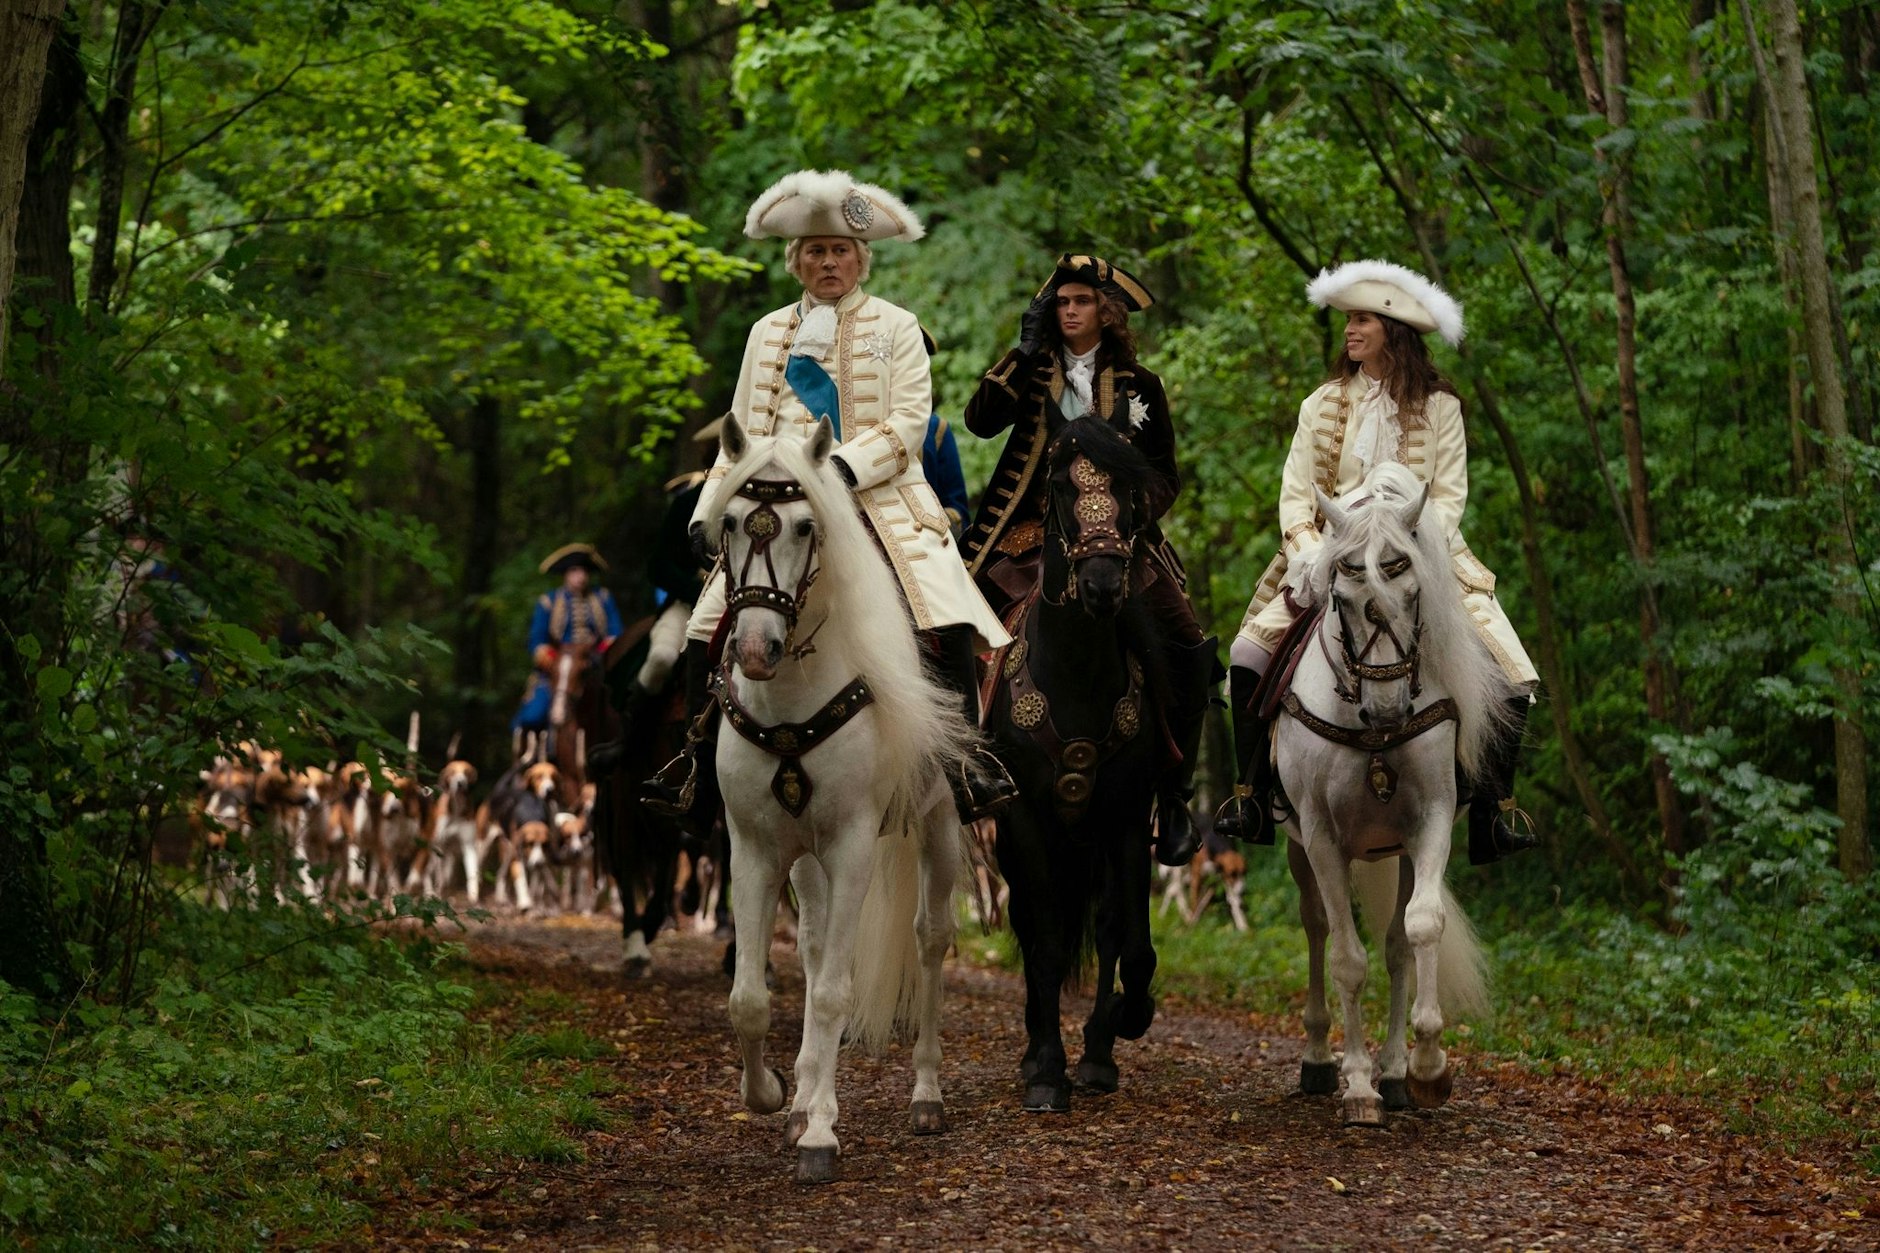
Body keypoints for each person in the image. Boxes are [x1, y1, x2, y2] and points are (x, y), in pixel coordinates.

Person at [642, 169, 1014, 831]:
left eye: (841, 250)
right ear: (796, 260)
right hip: (776, 506)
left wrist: (839, 469)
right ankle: (695, 767)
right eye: (816, 251)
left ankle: (966, 763)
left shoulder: (898, 327)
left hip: (880, 498)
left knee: (945, 615)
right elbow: (738, 434)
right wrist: (706, 513)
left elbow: (907, 425)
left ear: (861, 258)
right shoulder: (764, 332)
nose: (829, 262)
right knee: (704, 626)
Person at [1218, 260, 1539, 865]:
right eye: (1349, 320)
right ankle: (1252, 796)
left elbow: (1449, 499)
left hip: (1426, 563)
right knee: (1245, 654)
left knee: (1510, 673)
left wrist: (1413, 555)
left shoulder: (1441, 407)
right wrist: (1313, 555)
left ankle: (1495, 811)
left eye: (1362, 319)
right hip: (1329, 560)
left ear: (1394, 330)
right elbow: (1295, 497)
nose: (1350, 330)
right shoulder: (1320, 404)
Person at [962, 254, 1217, 868]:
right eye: (1061, 302)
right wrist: (1020, 354)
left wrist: (1122, 519)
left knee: (1190, 643)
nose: (1069, 311)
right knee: (951, 630)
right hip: (1027, 538)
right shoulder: (1030, 372)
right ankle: (967, 771)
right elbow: (979, 422)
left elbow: (1165, 475)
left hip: (1117, 543)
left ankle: (1174, 797)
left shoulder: (1141, 384)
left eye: (1080, 301)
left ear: (1106, 310)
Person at [512, 543, 623, 735]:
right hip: (558, 668)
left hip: (595, 665)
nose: (581, 576)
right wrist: (554, 661)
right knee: (533, 716)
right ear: (565, 574)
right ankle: (528, 749)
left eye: (584, 571)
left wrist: (600, 655)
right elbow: (537, 640)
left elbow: (615, 633)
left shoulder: (603, 598)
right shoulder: (549, 602)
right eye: (575, 571)